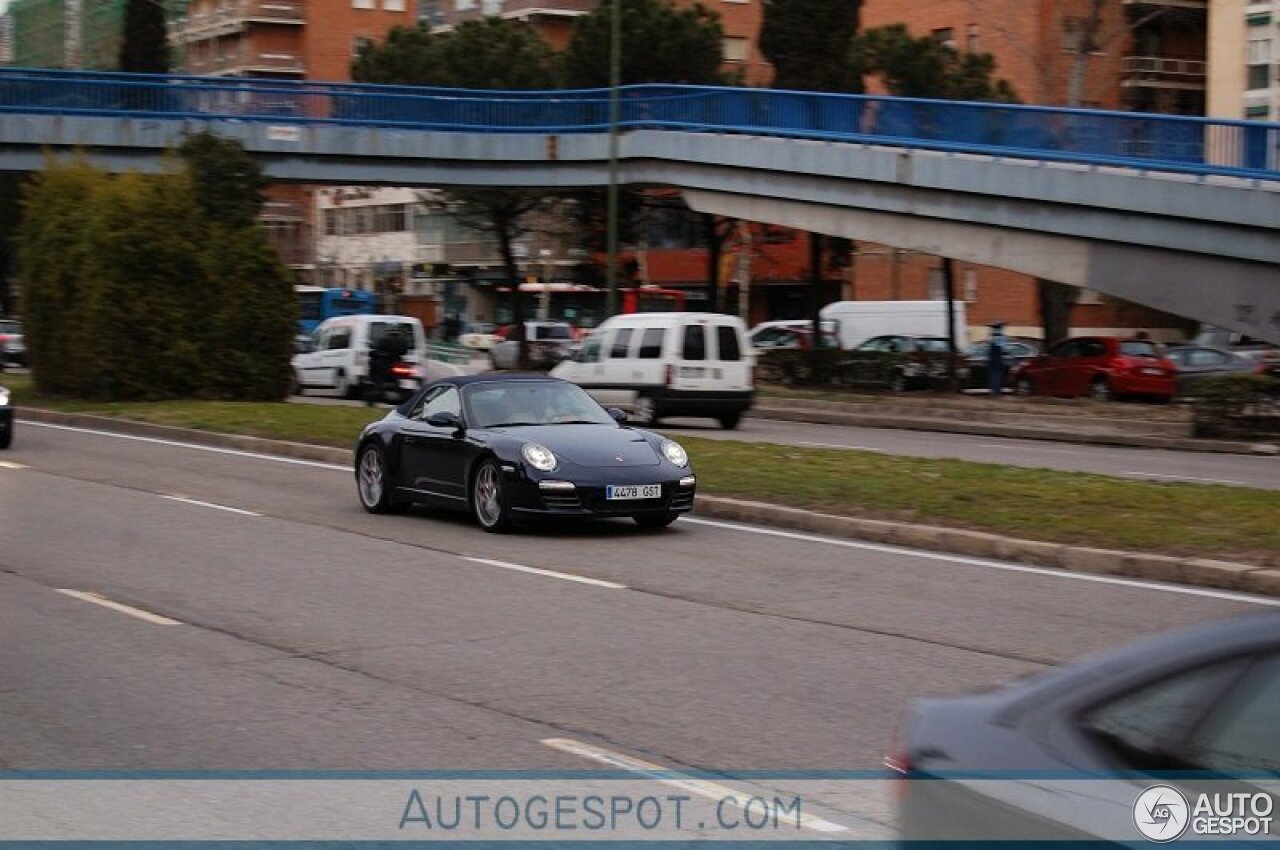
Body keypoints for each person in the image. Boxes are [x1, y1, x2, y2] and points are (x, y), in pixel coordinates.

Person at [366, 326, 411, 407]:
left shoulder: (384, 340)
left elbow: (377, 350)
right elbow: (405, 352)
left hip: (384, 365)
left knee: (377, 379)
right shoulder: (403, 341)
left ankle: (375, 392)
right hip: (397, 363)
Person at [986, 321, 1007, 398]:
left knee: (993, 376)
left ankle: (993, 391)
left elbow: (989, 347)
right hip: (998, 359)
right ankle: (997, 392)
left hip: (992, 359)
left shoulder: (991, 337)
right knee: (997, 376)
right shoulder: (1001, 337)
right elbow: (1002, 350)